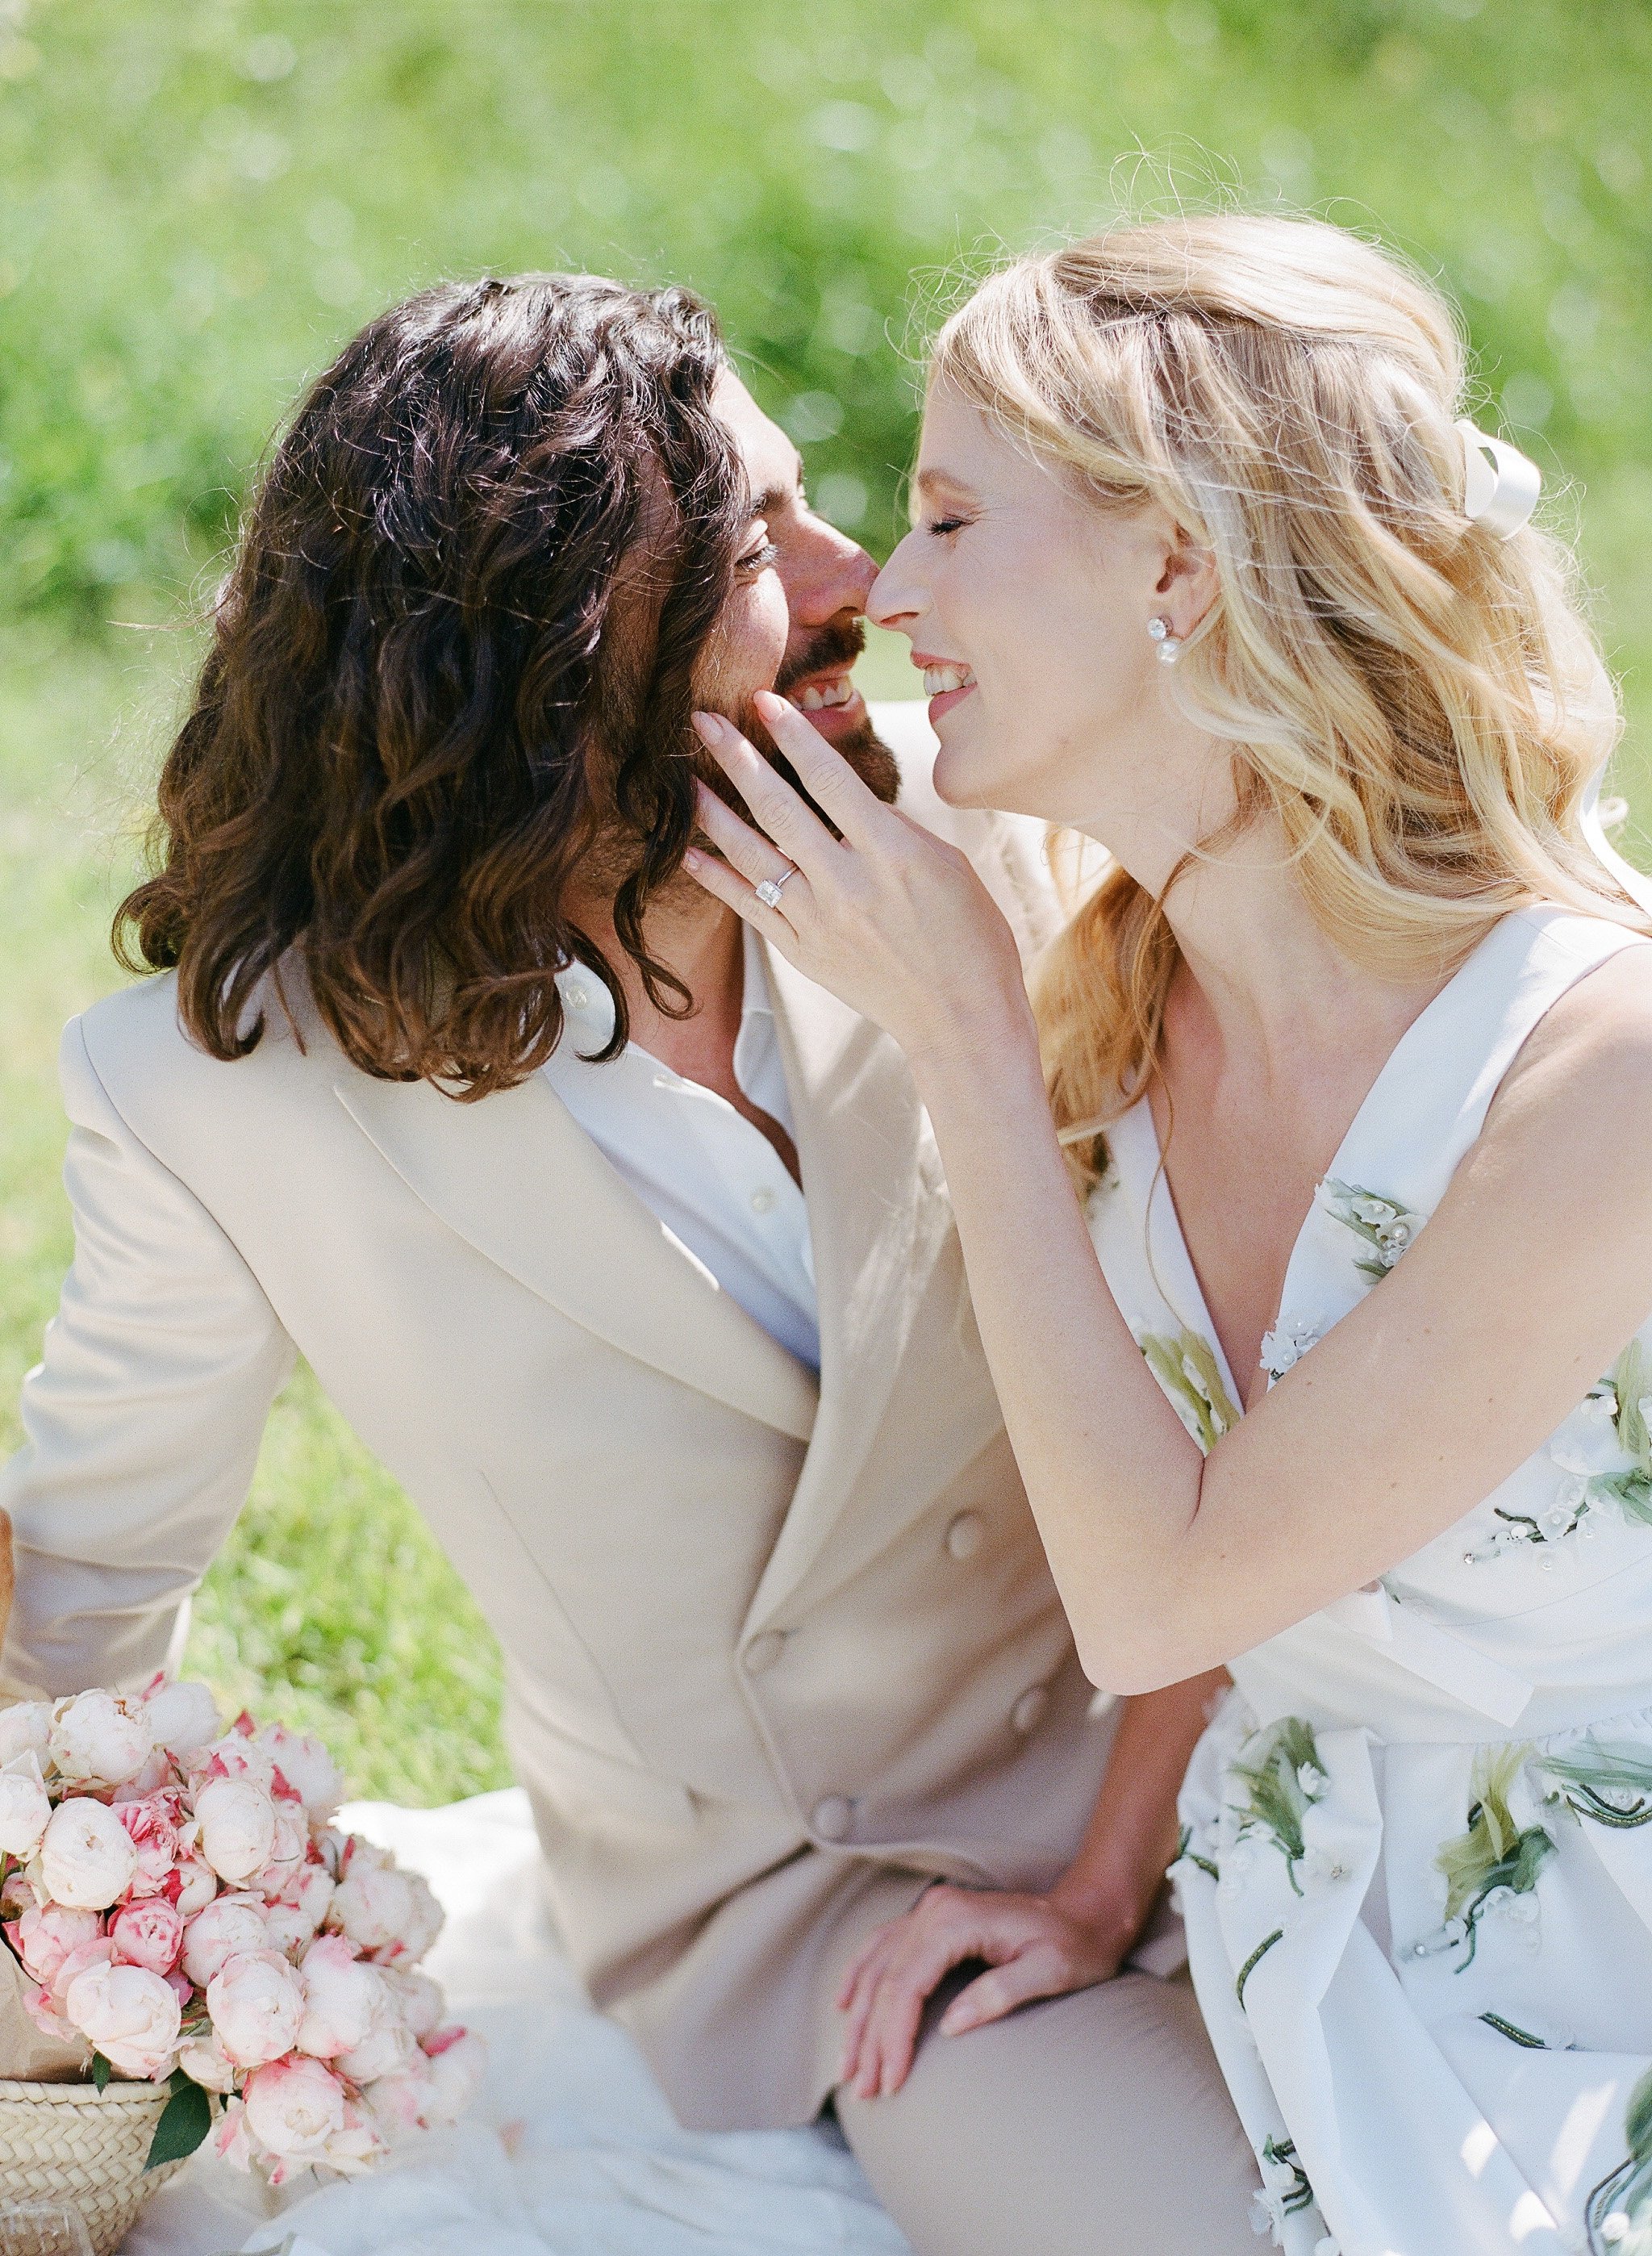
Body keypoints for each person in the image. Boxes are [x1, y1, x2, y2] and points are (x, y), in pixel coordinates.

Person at [0, 272, 1260, 2254]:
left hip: (1253, 1723)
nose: (863, 578)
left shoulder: (990, 828)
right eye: (763, 540)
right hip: (838, 1910)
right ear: (552, 656)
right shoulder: (220, 1092)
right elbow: (83, 1584)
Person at [684, 212, 1652, 2256]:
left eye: (951, 514)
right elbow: (1209, 1607)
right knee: (917, 2067)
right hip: (1283, 1918)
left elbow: (1152, 1590)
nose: (894, 586)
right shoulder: (1129, 1001)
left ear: (1179, 568)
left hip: (1596, 1958)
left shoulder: (1599, 1071)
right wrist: (1097, 1890)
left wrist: (952, 1035)